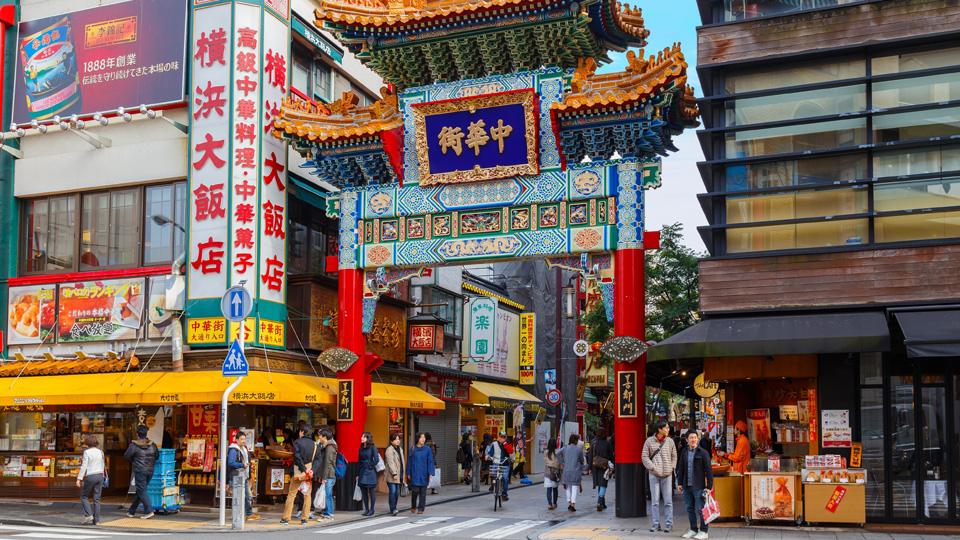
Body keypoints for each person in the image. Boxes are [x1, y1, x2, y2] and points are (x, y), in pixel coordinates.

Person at [677, 430, 714, 540]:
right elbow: (681, 468)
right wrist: (679, 483)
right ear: (687, 440)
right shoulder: (684, 452)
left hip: (699, 486)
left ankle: (704, 530)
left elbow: (709, 470)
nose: (693, 440)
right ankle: (693, 529)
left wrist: (708, 486)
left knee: (701, 509)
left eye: (695, 437)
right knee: (689, 508)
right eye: (691, 438)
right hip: (686, 486)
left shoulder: (703, 452)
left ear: (697, 439)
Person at [642, 420, 677, 533]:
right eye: (666, 428)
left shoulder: (670, 441)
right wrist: (651, 467)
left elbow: (674, 456)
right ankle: (656, 524)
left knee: (668, 501)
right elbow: (644, 456)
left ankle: (669, 524)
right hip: (654, 474)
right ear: (659, 429)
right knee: (655, 501)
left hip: (667, 474)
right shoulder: (649, 441)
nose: (668, 430)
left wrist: (672, 467)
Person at [281, 425, 316, 525]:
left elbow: (297, 457)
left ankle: (286, 518)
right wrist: (311, 470)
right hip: (309, 473)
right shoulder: (315, 444)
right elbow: (318, 459)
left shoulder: (297, 442)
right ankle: (305, 518)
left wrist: (303, 468)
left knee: (291, 494)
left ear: (302, 432)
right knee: (307, 495)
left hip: (298, 472)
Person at [124, 424, 159, 519]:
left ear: (137, 434)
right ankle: (131, 511)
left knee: (142, 490)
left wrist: (134, 460)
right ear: (147, 433)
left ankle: (149, 511)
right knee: (140, 490)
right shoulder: (153, 445)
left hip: (140, 470)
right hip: (150, 470)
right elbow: (157, 456)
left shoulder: (134, 445)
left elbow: (127, 456)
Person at [227, 432, 260, 521]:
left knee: (248, 495)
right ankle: (242, 515)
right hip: (236, 477)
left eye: (244, 439)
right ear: (236, 440)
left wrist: (248, 475)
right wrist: (242, 465)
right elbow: (230, 463)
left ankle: (246, 514)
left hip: (243, 476)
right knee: (239, 497)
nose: (243, 441)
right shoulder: (234, 450)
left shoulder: (244, 449)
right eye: (241, 439)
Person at [77, 435, 105, 525]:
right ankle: (96, 520)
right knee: (97, 499)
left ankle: (88, 514)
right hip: (100, 475)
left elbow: (84, 466)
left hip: (91, 475)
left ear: (86, 443)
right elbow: (103, 464)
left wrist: (79, 478)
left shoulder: (87, 452)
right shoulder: (100, 452)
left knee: (83, 495)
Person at [406, 432, 435, 514]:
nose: (423, 439)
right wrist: (408, 472)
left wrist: (430, 473)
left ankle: (421, 508)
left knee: (423, 492)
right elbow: (409, 461)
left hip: (424, 473)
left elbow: (430, 461)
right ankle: (413, 506)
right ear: (417, 439)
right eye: (421, 437)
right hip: (414, 473)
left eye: (424, 437)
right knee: (415, 491)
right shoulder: (412, 449)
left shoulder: (427, 449)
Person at [557, 433, 585, 511]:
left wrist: (562, 463)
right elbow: (582, 460)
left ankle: (569, 503)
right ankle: (573, 504)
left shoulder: (565, 448)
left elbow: (557, 454)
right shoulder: (579, 449)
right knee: (574, 487)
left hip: (566, 471)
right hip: (575, 471)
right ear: (576, 441)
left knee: (568, 487)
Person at [315, 426, 338, 522]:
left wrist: (323, 477)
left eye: (320, 436)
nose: (319, 438)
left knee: (328, 494)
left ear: (325, 437)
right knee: (327, 494)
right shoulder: (328, 447)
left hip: (329, 475)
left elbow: (327, 464)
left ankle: (329, 514)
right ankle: (328, 513)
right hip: (329, 475)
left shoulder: (329, 448)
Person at [591, 427, 614, 512]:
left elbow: (591, 457)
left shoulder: (594, 444)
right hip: (605, 466)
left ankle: (602, 503)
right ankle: (600, 501)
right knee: (603, 483)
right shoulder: (607, 444)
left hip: (596, 466)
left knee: (599, 483)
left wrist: (590, 468)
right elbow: (611, 456)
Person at [357, 432, 379, 516]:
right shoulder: (361, 448)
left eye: (364, 437)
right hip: (362, 470)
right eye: (362, 436)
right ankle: (366, 509)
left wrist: (370, 466)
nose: (362, 438)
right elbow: (359, 461)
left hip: (370, 471)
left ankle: (372, 509)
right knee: (364, 491)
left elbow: (376, 460)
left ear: (368, 438)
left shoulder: (373, 448)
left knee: (371, 490)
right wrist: (357, 474)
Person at [485, 431, 510, 502]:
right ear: (498, 437)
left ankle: (504, 494)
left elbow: (510, 451)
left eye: (504, 437)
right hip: (496, 461)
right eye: (501, 437)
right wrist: (488, 455)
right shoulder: (494, 444)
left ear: (506, 438)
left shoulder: (508, 443)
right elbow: (490, 452)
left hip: (504, 462)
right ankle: (493, 484)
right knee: (493, 473)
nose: (502, 438)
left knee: (505, 478)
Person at [385, 433, 404, 515]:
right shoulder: (389, 450)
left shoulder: (400, 449)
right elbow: (390, 462)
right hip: (392, 475)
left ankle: (394, 507)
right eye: (395, 439)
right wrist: (394, 473)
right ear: (391, 441)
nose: (397, 441)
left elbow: (402, 462)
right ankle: (393, 508)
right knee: (392, 491)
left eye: (398, 439)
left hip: (399, 474)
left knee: (396, 492)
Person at [543, 439, 561, 510]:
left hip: (548, 471)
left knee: (549, 488)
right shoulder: (558, 452)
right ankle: (555, 503)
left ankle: (549, 504)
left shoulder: (546, 452)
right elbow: (559, 461)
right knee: (555, 488)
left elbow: (545, 460)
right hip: (555, 472)